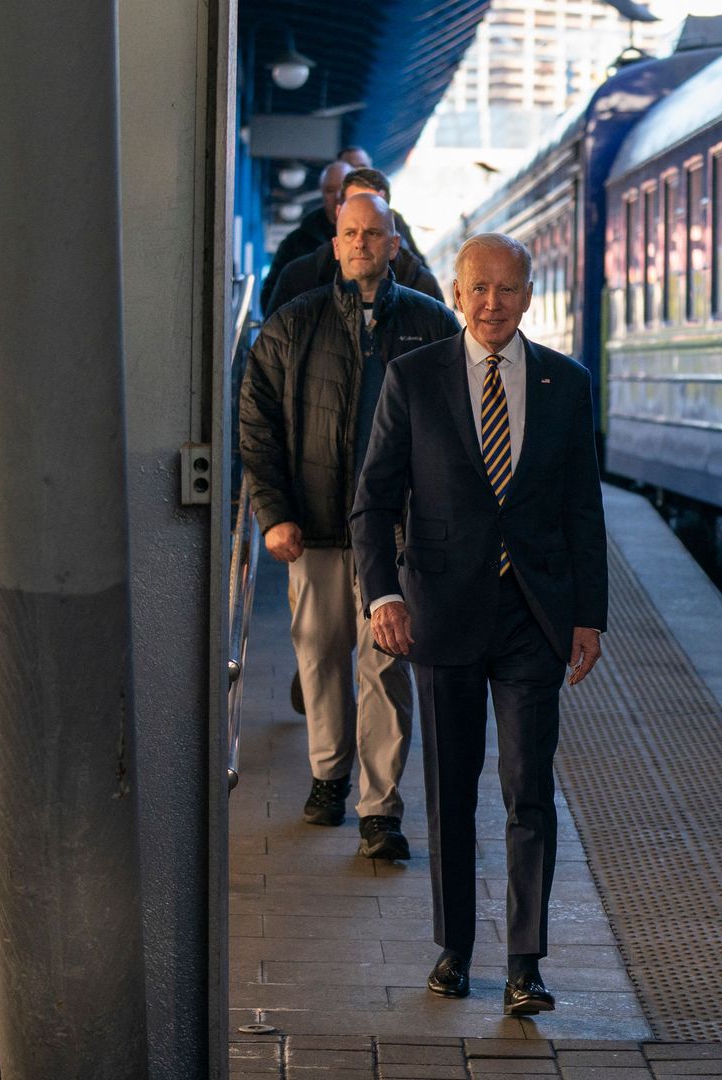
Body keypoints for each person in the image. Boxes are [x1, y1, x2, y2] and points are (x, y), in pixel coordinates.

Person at [352, 232, 608, 1016]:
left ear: (530, 295)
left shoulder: (566, 383)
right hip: (442, 614)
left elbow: (582, 509)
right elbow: (374, 500)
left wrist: (588, 617)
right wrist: (382, 597)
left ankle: (526, 965)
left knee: (530, 791)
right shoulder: (414, 378)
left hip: (533, 616)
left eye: (507, 289)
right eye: (478, 289)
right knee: (452, 790)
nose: (492, 303)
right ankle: (454, 951)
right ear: (458, 295)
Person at [239, 193, 462, 860]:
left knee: (385, 669)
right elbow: (256, 427)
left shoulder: (431, 326)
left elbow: (459, 435)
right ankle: (328, 776)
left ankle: (379, 809)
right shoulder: (292, 325)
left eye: (374, 234)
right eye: (350, 233)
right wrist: (272, 516)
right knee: (320, 658)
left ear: (396, 245)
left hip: (396, 538)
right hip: (317, 529)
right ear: (333, 246)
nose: (362, 243)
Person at [266, 168, 443, 315]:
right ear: (338, 213)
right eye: (354, 205)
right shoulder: (299, 276)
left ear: (390, 218)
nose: (364, 216)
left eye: (375, 208)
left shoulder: (420, 282)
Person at [259, 160, 350, 310]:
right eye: (330, 190)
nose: (338, 196)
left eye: (344, 189)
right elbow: (269, 300)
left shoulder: (370, 241)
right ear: (322, 194)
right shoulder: (294, 244)